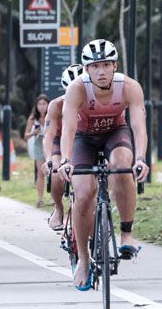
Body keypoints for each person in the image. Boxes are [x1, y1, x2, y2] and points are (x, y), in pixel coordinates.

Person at [58, 40, 149, 290]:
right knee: (84, 192)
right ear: (87, 69)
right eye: (95, 66)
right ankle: (85, 260)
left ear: (114, 66)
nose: (101, 71)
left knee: (122, 165)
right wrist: (65, 160)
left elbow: (139, 126)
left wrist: (140, 158)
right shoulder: (77, 89)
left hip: (115, 133)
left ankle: (127, 234)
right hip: (83, 139)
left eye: (106, 65)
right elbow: (67, 129)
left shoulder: (129, 87)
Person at [42, 65, 84, 231]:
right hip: (61, 140)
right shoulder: (56, 105)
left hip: (83, 139)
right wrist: (48, 159)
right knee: (56, 172)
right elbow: (49, 136)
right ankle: (58, 208)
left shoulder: (95, 101)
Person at [25, 95, 49, 207]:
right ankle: (40, 199)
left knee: (53, 172)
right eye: (40, 104)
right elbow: (26, 135)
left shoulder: (52, 116)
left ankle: (54, 198)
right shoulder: (32, 119)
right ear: (36, 105)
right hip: (39, 143)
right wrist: (34, 133)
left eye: (44, 104)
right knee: (41, 172)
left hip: (51, 143)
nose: (42, 107)